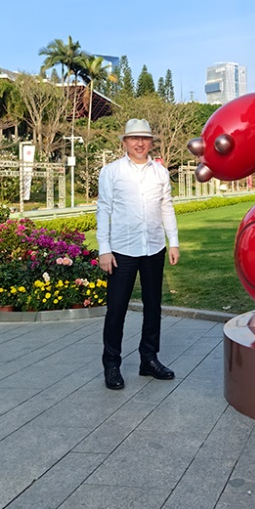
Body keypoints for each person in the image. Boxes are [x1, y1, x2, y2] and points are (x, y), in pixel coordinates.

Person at [95, 118, 180, 390]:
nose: (139, 143)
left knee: (153, 306)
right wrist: (104, 249)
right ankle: (111, 365)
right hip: (122, 250)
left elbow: (166, 207)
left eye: (144, 138)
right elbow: (103, 209)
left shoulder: (160, 172)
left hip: (154, 247)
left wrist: (173, 242)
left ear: (151, 142)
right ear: (125, 142)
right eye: (134, 138)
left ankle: (149, 359)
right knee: (116, 308)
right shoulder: (111, 172)